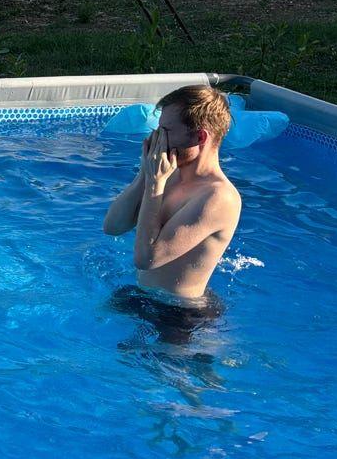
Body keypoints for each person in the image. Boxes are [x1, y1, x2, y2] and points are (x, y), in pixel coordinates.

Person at [102, 83, 242, 313]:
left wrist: (155, 185)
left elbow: (146, 259)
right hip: (143, 295)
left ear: (199, 136)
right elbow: (112, 227)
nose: (156, 138)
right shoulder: (170, 173)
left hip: (181, 316)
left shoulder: (218, 197)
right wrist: (145, 175)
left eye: (165, 132)